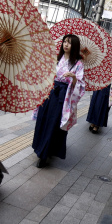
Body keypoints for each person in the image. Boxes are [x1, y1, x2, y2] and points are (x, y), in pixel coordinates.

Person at [32, 34, 85, 168]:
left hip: (63, 96)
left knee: (53, 123)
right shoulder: (56, 58)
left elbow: (80, 85)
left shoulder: (78, 64)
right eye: (64, 42)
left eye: (69, 42)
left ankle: (44, 154)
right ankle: (41, 147)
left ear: (75, 46)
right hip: (49, 92)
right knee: (43, 120)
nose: (66, 44)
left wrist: (73, 77)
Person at [87, 46, 112, 134]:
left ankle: (97, 125)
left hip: (108, 86)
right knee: (94, 102)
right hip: (100, 83)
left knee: (101, 104)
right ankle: (92, 121)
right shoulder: (105, 60)